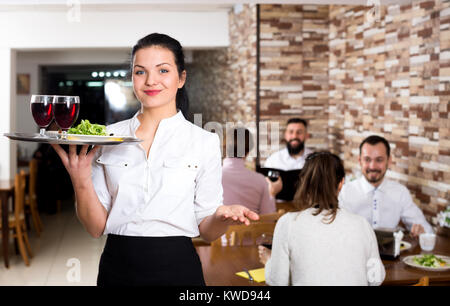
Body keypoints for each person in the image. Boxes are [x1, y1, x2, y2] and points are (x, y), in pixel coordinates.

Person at [51, 33, 259, 286]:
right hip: (118, 266)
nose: (151, 81)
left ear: (181, 78)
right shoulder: (107, 137)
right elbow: (95, 228)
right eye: (140, 72)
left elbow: (208, 230)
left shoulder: (204, 142)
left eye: (163, 70)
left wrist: (222, 217)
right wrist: (80, 179)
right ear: (132, 78)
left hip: (179, 267)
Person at [258, 151, 385, 286]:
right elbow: (376, 278)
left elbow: (277, 281)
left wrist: (269, 261)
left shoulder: (288, 223)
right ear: (341, 183)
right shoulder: (362, 224)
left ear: (303, 182)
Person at [338, 135, 433, 237]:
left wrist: (421, 230)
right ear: (360, 161)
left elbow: (427, 231)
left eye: (379, 160)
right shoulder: (345, 193)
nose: (372, 166)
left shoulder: (400, 192)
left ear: (389, 161)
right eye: (367, 159)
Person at [222, 127, 277, 215]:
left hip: (219, 228)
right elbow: (268, 218)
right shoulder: (261, 180)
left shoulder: (210, 176)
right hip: (253, 228)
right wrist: (272, 194)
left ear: (224, 147)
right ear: (248, 150)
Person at [264, 118, 312, 197]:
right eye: (291, 132)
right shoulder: (273, 160)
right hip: (279, 206)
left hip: (308, 206)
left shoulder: (315, 160)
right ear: (285, 135)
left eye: (299, 132)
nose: (294, 136)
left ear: (306, 135)